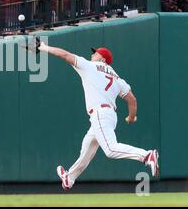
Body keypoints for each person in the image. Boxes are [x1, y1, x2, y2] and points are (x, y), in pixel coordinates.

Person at [36, 41, 160, 190]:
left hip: (100, 114)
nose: (92, 54)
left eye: (96, 53)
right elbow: (132, 100)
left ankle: (146, 156)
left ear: (103, 60)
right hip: (108, 115)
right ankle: (70, 177)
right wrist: (131, 117)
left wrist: (44, 48)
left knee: (111, 150)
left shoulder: (89, 66)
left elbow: (65, 55)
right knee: (87, 147)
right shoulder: (117, 78)